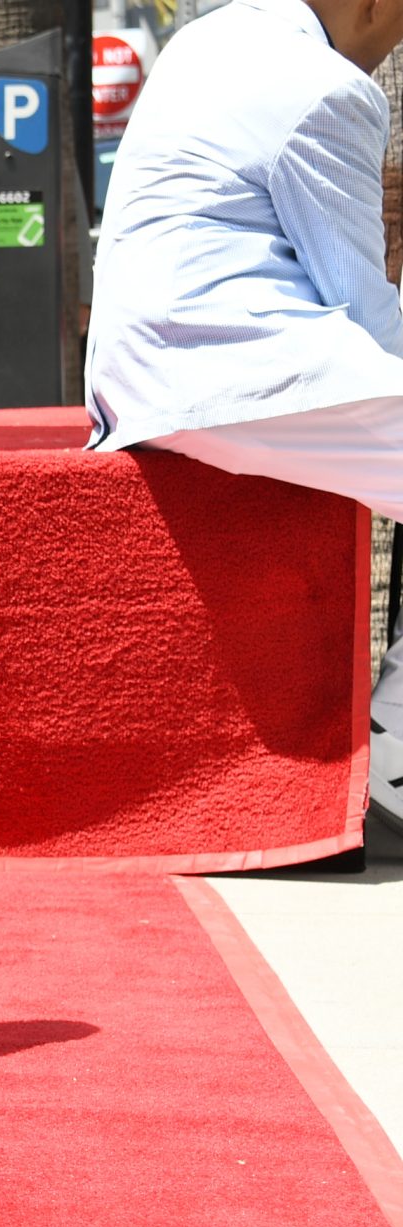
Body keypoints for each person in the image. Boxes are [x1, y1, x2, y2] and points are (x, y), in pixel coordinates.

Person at [86, 0, 403, 828]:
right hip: (243, 373)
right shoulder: (327, 86)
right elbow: (363, 303)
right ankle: (394, 754)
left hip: (149, 376)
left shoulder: (211, 38)